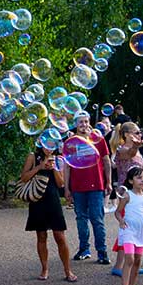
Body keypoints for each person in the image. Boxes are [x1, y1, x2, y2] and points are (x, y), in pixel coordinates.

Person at [20, 144, 76, 282]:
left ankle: (68, 270)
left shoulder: (58, 159)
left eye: (52, 145)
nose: (49, 149)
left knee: (60, 236)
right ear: (41, 143)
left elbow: (60, 183)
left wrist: (54, 168)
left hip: (53, 199)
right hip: (37, 200)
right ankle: (44, 269)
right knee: (41, 235)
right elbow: (24, 177)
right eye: (47, 145)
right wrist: (40, 167)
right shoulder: (33, 157)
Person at [63, 112, 112, 264]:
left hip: (96, 185)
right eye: (80, 122)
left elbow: (106, 161)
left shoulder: (98, 140)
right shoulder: (71, 142)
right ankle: (84, 249)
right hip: (78, 186)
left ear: (89, 123)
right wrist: (67, 187)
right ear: (76, 125)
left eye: (86, 122)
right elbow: (67, 167)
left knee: (97, 219)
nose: (83, 125)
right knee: (81, 218)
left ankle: (102, 251)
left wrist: (109, 182)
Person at [108, 121, 143, 276]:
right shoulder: (122, 149)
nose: (140, 135)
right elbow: (130, 154)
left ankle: (129, 262)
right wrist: (135, 147)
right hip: (128, 194)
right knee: (127, 229)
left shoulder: (136, 151)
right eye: (136, 132)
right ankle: (120, 266)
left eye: (140, 132)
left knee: (134, 228)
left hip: (140, 194)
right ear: (126, 134)